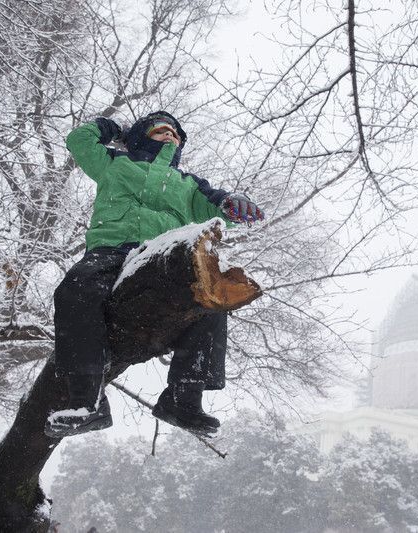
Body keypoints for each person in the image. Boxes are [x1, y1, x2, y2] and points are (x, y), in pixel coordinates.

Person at [45, 111, 263, 439]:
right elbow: (79, 141)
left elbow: (219, 208)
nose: (169, 134)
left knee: (208, 299)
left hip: (158, 256)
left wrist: (234, 203)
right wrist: (114, 128)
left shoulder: (189, 185)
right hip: (110, 249)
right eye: (161, 130)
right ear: (140, 136)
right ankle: (87, 401)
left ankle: (183, 397)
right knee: (75, 290)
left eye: (175, 133)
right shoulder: (115, 164)